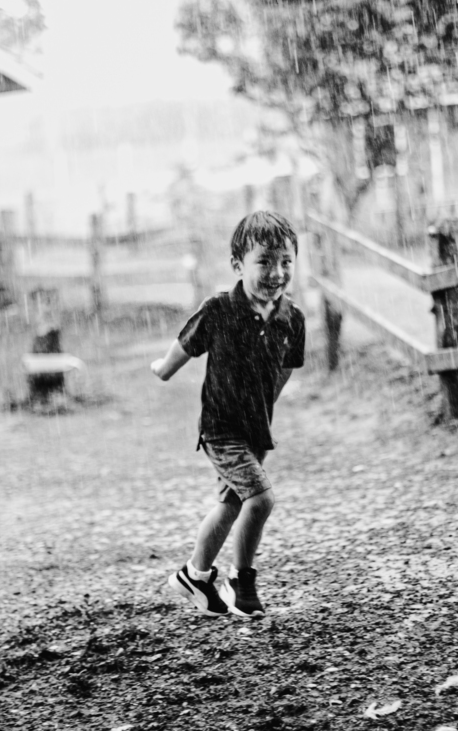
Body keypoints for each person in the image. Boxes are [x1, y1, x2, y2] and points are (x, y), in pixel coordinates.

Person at [150, 211, 306, 619]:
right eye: (265, 262)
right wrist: (164, 369)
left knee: (232, 504)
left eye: (286, 262)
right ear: (238, 265)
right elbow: (187, 342)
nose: (276, 272)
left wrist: (266, 400)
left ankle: (194, 576)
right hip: (221, 428)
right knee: (261, 499)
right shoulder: (220, 309)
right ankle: (241, 582)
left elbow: (287, 366)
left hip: (256, 429)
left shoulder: (293, 319)